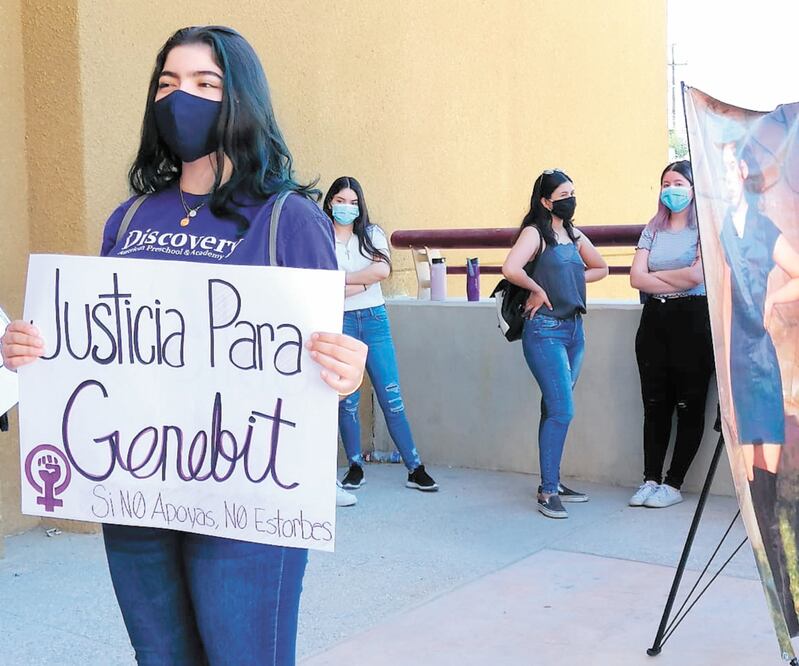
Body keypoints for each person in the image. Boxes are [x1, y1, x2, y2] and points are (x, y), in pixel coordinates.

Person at [1, 26, 367, 665]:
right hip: (137, 498)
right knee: (160, 658)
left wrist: (346, 370)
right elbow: (105, 343)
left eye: (205, 84)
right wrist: (35, 350)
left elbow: (324, 355)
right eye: (167, 84)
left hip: (247, 508)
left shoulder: (289, 219)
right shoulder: (131, 218)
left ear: (241, 99)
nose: (181, 98)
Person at [717, 137, 799, 633]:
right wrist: (724, 371)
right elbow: (725, 300)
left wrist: (771, 303)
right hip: (739, 368)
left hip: (764, 367)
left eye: (728, 166)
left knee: (770, 489)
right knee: (753, 487)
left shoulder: (764, 228)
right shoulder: (725, 228)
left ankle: (788, 605)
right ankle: (782, 602)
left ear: (744, 172)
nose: (723, 175)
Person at [501, 169, 608, 519]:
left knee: (554, 407)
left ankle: (553, 480)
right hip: (544, 330)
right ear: (546, 201)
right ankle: (548, 492)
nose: (570, 200)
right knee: (563, 409)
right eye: (563, 195)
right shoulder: (536, 233)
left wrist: (569, 277)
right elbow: (510, 267)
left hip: (574, 330)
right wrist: (538, 289)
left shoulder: (573, 233)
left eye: (573, 193)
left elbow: (601, 268)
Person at [322, 176, 438, 492]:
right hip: (340, 321)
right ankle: (355, 466)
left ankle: (415, 467)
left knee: (391, 395)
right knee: (347, 399)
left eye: (353, 202)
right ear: (330, 202)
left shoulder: (372, 233)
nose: (347, 207)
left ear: (361, 205)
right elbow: (321, 283)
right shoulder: (321, 235)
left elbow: (382, 271)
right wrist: (361, 282)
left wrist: (342, 281)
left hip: (374, 320)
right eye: (341, 201)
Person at [628, 160, 714, 509]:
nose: (670, 189)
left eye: (678, 182)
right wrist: (673, 279)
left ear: (694, 188)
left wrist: (658, 277)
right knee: (654, 404)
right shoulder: (653, 227)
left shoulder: (705, 227)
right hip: (655, 320)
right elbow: (636, 277)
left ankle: (673, 482)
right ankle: (650, 479)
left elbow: (698, 277)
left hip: (692, 320)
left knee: (689, 405)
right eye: (665, 183)